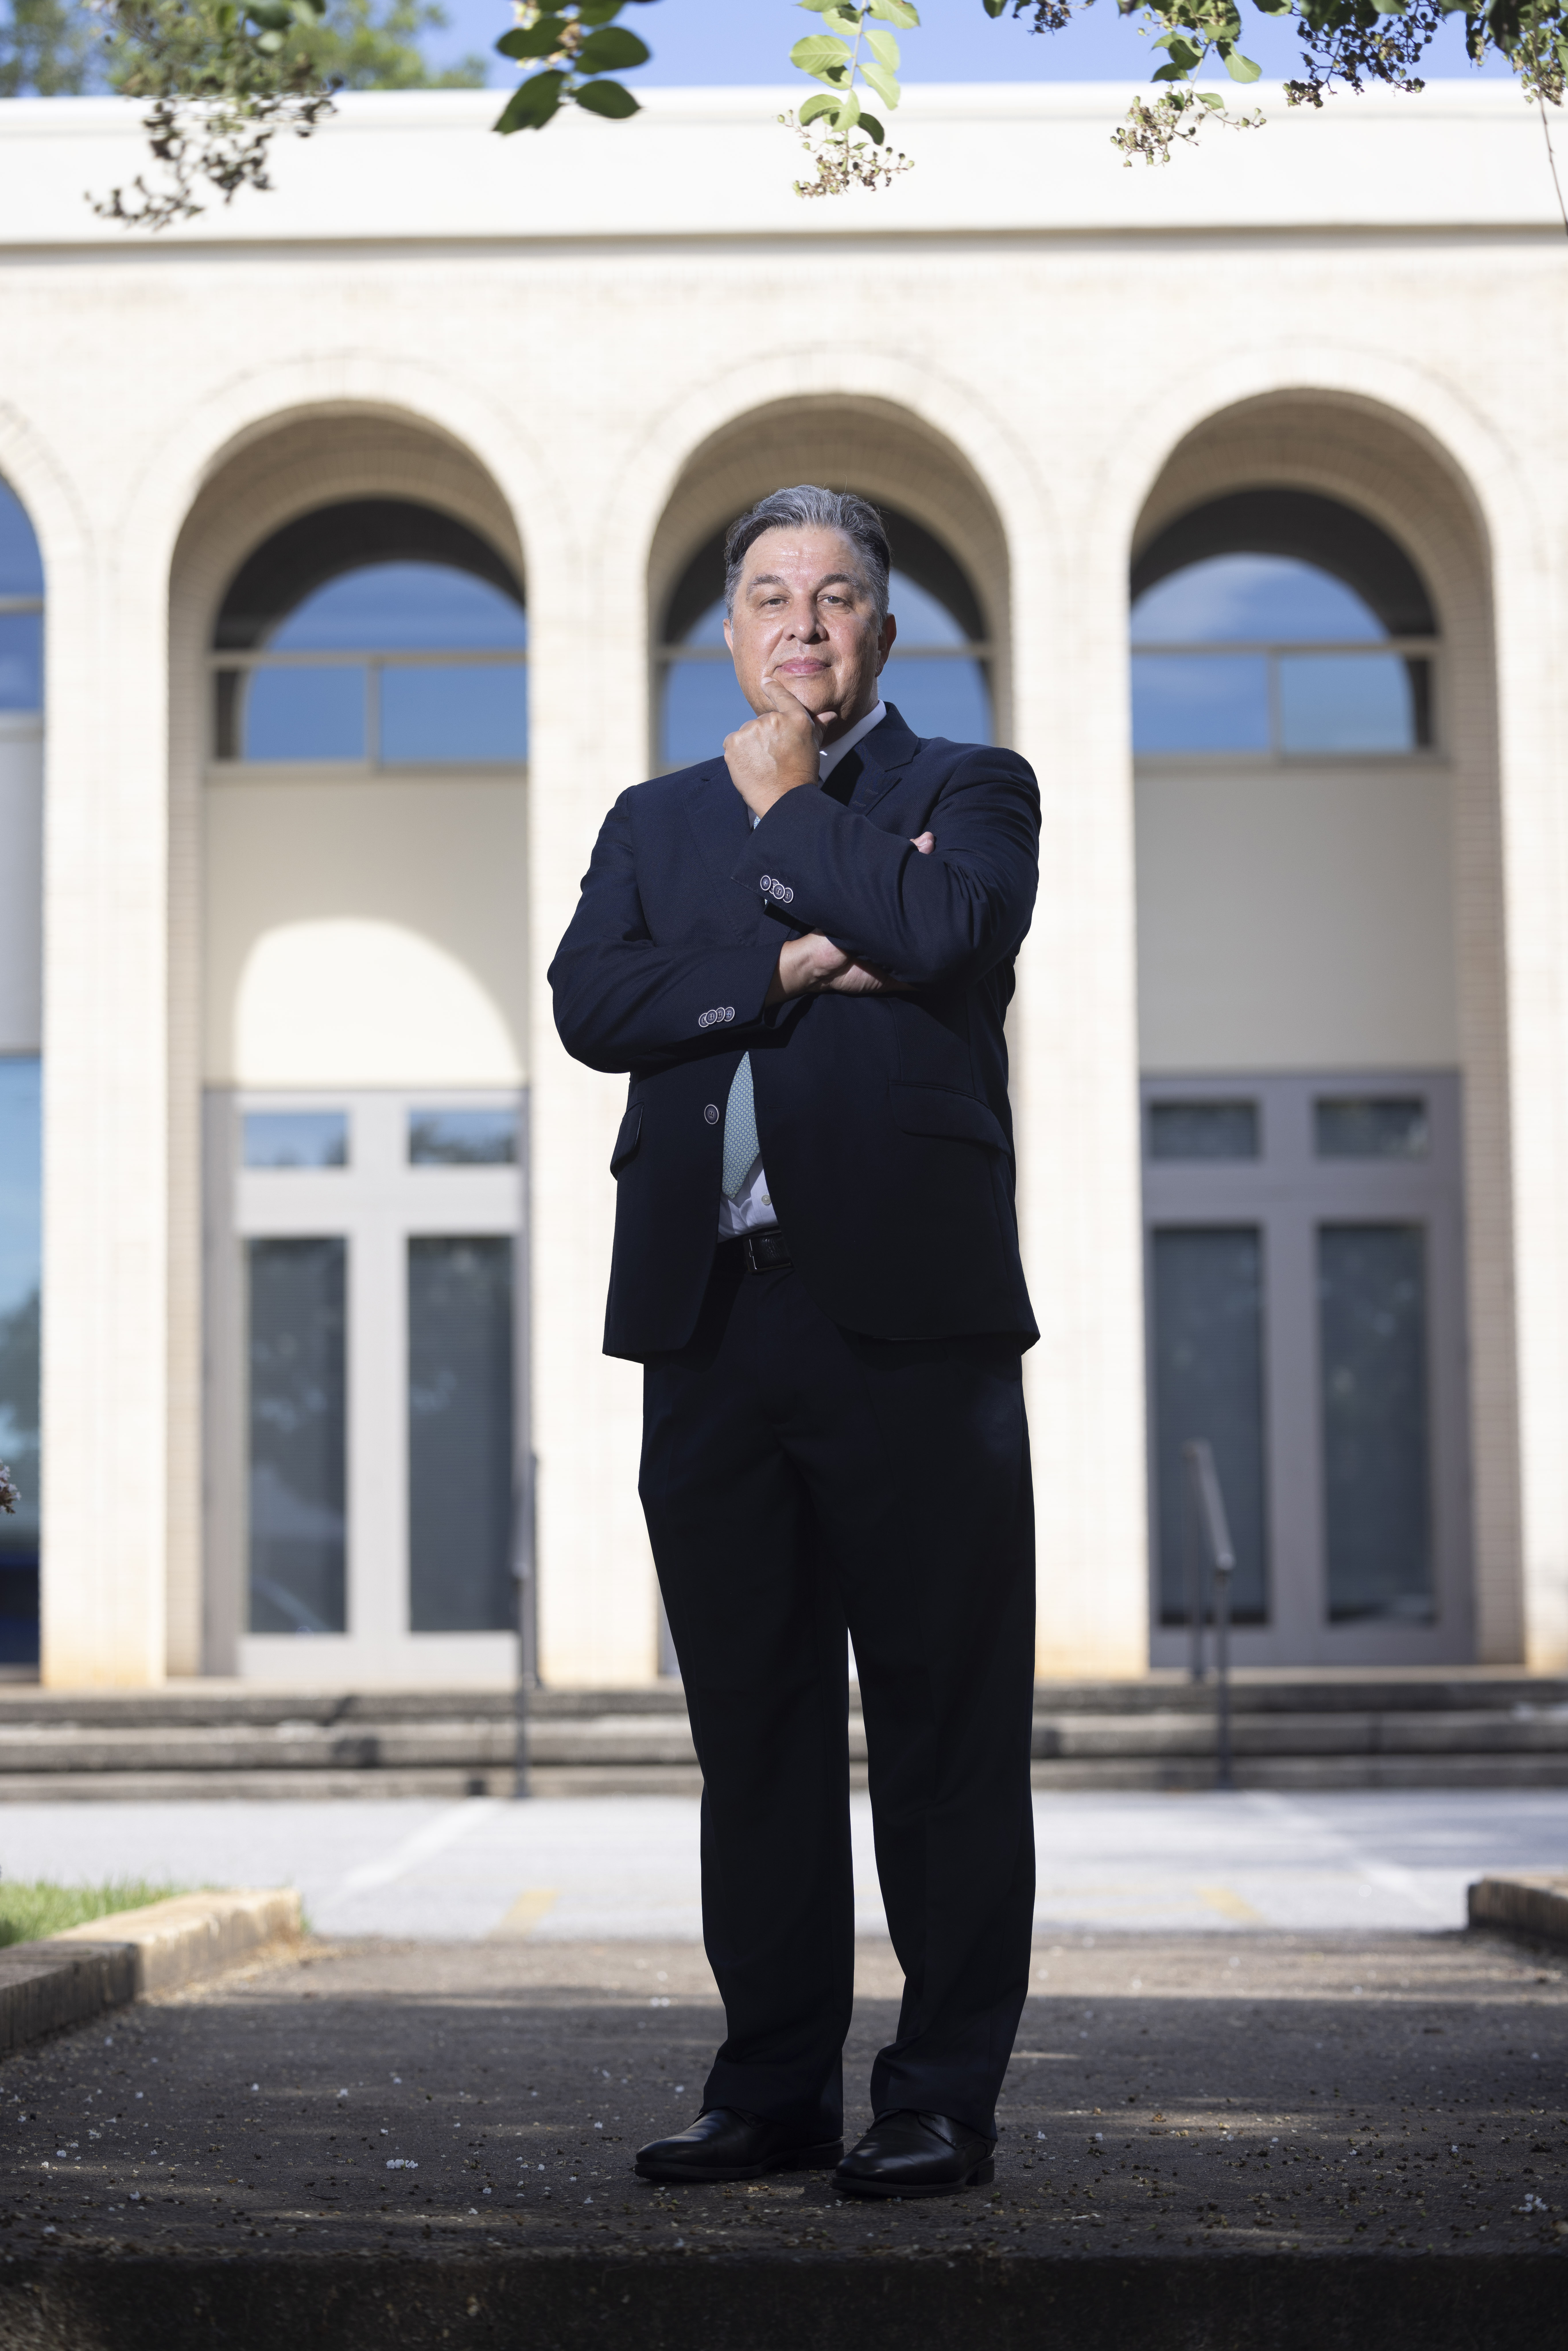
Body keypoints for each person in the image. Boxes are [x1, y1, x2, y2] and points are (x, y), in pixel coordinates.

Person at [548, 484, 1040, 2199]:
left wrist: (789, 815)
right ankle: (771, 2090)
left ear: (880, 630)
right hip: (709, 1321)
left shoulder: (968, 788)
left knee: (941, 1723)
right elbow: (594, 1005)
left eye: (836, 597)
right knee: (752, 1729)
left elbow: (950, 931)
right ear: (732, 630)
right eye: (772, 595)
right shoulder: (648, 817)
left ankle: (939, 2097)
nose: (804, 623)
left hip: (910, 1321)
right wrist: (798, 959)